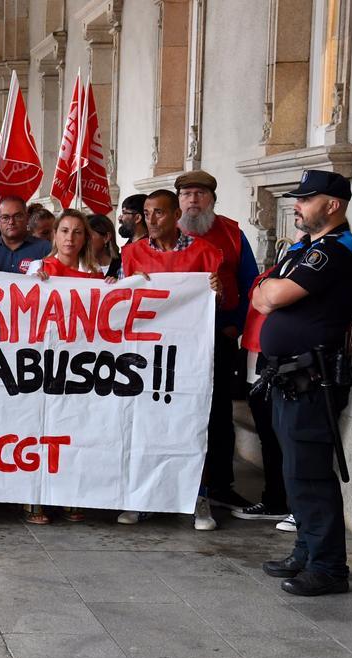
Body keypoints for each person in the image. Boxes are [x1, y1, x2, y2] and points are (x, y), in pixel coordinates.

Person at [256, 170, 352, 597]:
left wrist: (269, 291)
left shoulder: (335, 251)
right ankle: (306, 551)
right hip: (289, 377)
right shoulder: (303, 248)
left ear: (332, 205)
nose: (296, 206)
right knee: (294, 471)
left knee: (311, 475)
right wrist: (268, 290)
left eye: (305, 199)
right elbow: (260, 293)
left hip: (312, 378)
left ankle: (329, 566)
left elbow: (274, 297)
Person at [118, 188, 222, 530]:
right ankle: (142, 497)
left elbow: (222, 302)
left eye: (159, 212)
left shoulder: (206, 252)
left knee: (190, 422)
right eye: (146, 213)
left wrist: (218, 293)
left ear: (177, 216)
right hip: (145, 355)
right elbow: (120, 301)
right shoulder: (131, 253)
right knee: (145, 424)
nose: (151, 219)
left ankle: (198, 497)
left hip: (189, 355)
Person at [175, 171, 260, 513]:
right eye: (186, 194)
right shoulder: (167, 234)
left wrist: (234, 326)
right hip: (173, 342)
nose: (193, 200)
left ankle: (220, 485)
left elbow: (252, 284)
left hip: (217, 338)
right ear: (178, 200)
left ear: (212, 199)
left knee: (219, 413)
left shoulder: (233, 234)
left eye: (199, 194)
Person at [23, 210, 102, 524]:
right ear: (54, 235)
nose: (70, 238)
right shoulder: (40, 270)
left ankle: (70, 494)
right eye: (65, 231)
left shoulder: (97, 277)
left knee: (73, 429)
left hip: (80, 366)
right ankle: (35, 498)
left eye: (77, 232)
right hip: (44, 363)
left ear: (85, 239)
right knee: (40, 428)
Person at [233, 265, 291, 528]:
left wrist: (262, 290)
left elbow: (267, 300)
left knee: (278, 437)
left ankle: (282, 501)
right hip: (255, 355)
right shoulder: (286, 260)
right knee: (267, 436)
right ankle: (274, 499)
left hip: (272, 359)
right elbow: (258, 297)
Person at [0, 196, 50, 274]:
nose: (11, 222)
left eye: (17, 216)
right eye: (5, 217)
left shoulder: (46, 249)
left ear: (27, 218)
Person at [87, 214, 122, 278]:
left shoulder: (124, 264)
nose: (83, 240)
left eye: (88, 236)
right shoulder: (76, 265)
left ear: (106, 237)